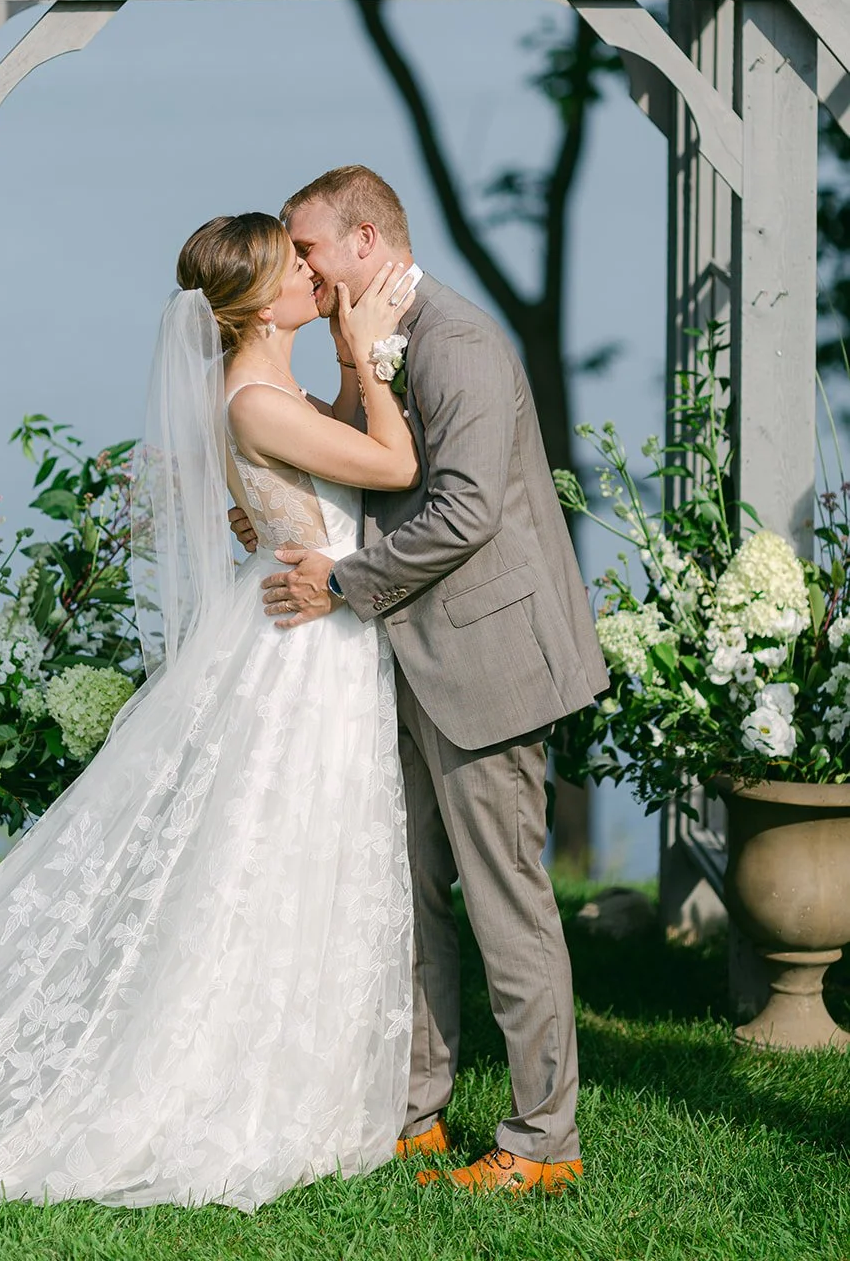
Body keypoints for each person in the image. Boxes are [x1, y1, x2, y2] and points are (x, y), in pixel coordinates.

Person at [0, 213, 420, 1223]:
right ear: (255, 301)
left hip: (305, 630)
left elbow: (311, 481)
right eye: (292, 263)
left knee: (290, 854)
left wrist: (331, 394)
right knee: (271, 854)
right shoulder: (255, 396)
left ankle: (294, 1064)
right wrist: (368, 362)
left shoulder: (259, 387)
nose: (312, 272)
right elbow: (392, 468)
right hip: (298, 654)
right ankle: (227, 1084)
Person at [251, 166, 609, 1195]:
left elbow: (461, 511)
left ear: (365, 239)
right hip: (407, 661)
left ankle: (543, 1143)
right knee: (407, 898)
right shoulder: (365, 334)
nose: (299, 268)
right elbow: (371, 463)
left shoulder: (452, 343)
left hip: (483, 665)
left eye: (308, 248)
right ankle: (415, 1114)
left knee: (509, 908)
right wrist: (280, 512)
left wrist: (342, 580)